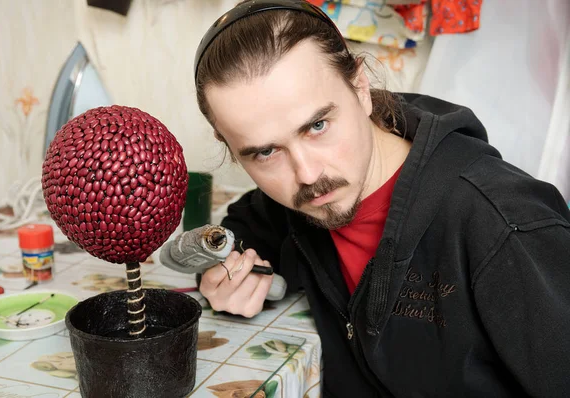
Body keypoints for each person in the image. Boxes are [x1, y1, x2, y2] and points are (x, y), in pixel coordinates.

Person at [193, 1, 570, 396]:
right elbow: (235, 230)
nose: (307, 174)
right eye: (266, 152)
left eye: (318, 126)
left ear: (360, 88)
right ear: (231, 148)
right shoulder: (294, 201)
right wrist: (222, 274)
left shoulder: (505, 225)